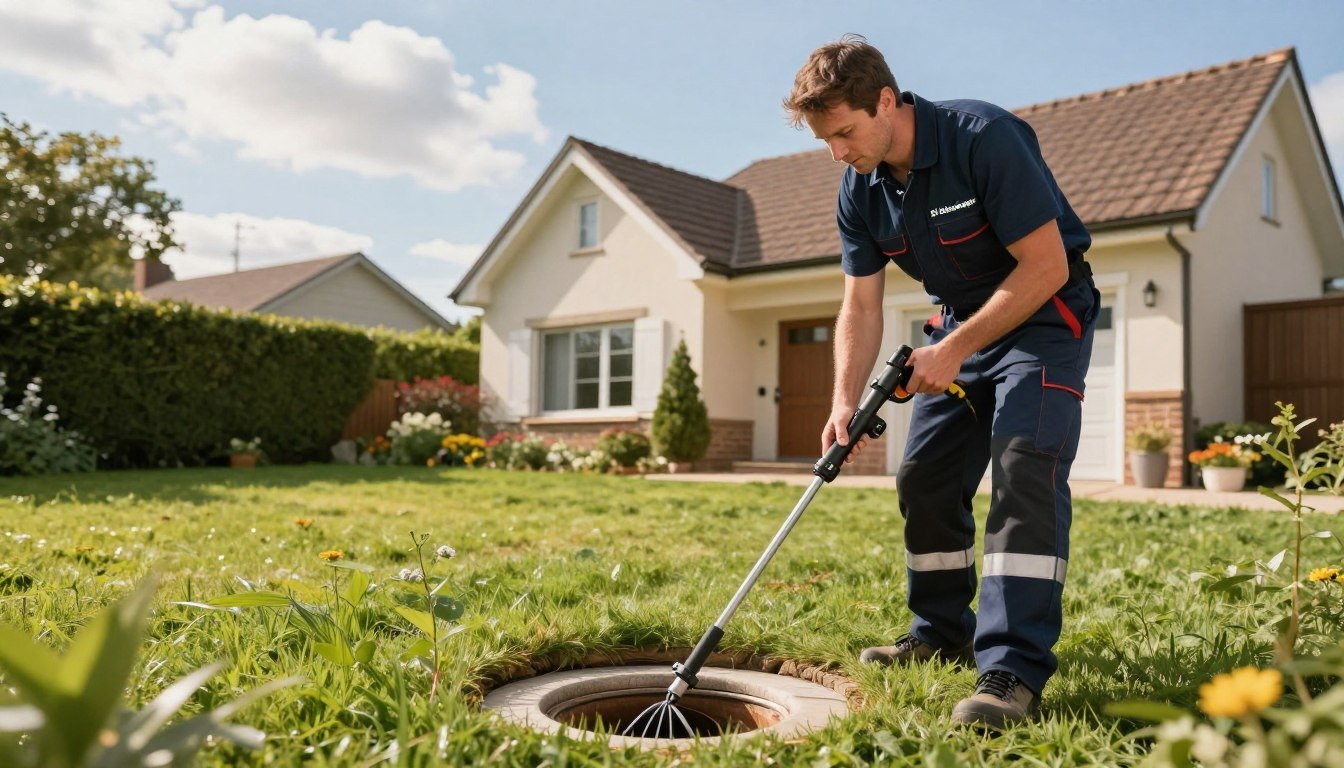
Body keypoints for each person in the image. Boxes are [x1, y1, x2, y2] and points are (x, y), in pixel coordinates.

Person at [784, 35, 1099, 729]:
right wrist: (843, 402)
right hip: (959, 326)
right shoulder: (860, 189)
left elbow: (1046, 266)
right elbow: (861, 306)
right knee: (924, 474)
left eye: (844, 133)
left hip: (1045, 319)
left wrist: (953, 349)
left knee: (1023, 464)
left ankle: (1012, 671)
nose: (836, 152)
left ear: (885, 101)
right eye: (824, 140)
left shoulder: (983, 137)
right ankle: (941, 631)